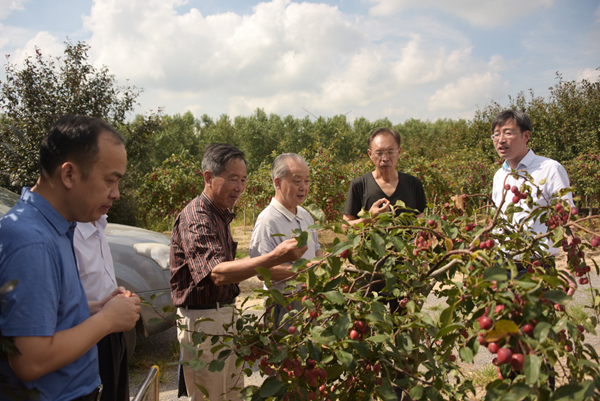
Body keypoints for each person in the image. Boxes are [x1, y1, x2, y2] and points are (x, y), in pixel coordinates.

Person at [0, 115, 141, 401]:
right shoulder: (33, 242)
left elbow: (44, 316)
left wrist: (92, 309)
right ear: (69, 175)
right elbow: (30, 361)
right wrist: (107, 321)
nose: (115, 194)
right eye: (109, 181)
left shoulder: (55, 227)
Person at [170, 143, 307, 401]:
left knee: (232, 394)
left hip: (223, 316)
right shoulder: (197, 218)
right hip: (203, 322)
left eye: (243, 180)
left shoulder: (220, 214)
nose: (240, 187)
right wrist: (275, 257)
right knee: (211, 396)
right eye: (233, 179)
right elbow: (217, 273)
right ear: (209, 177)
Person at [490, 109, 575, 294]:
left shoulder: (550, 169)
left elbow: (567, 219)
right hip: (501, 265)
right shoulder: (499, 176)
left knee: (534, 312)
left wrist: (570, 269)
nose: (500, 140)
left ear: (526, 136)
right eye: (496, 135)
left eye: (508, 133)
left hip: (535, 266)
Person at [249, 153, 323, 327]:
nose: (303, 187)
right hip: (285, 303)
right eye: (297, 181)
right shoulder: (268, 220)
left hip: (310, 299)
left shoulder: (305, 215)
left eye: (307, 181)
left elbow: (316, 248)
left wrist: (322, 262)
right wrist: (305, 269)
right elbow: (262, 271)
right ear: (278, 182)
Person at [74, 215, 131, 401]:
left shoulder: (99, 222)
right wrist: (99, 309)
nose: (114, 199)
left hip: (113, 328)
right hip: (88, 332)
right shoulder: (70, 233)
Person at [343, 127, 427, 226]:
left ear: (399, 152)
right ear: (370, 154)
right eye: (379, 153)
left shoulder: (414, 184)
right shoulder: (359, 185)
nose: (385, 158)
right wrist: (369, 219)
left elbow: (421, 223)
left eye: (390, 152)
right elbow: (345, 227)